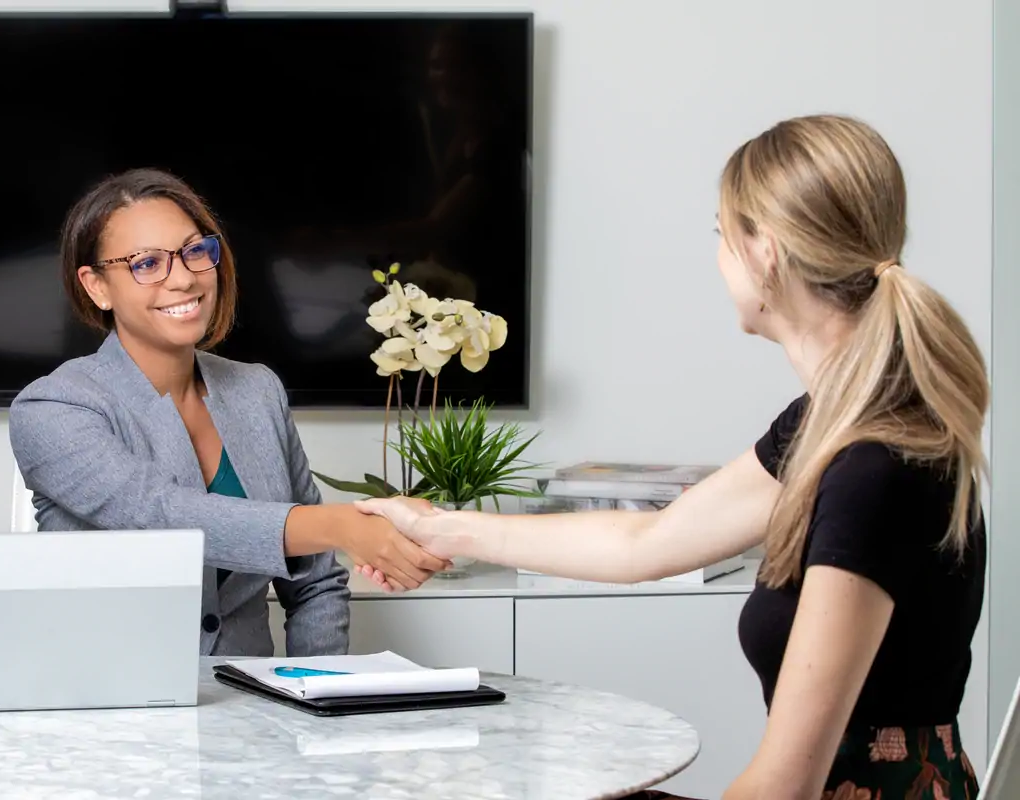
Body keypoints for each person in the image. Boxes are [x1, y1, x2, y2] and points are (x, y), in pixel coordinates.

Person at [354, 115, 988, 800]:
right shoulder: (836, 425)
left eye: (722, 235)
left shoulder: (873, 467)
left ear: (766, 253)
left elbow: (785, 787)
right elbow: (647, 540)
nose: (718, 257)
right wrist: (442, 525)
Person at [9, 168, 446, 659]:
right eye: (146, 263)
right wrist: (344, 524)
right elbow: (161, 516)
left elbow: (315, 583)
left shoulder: (257, 391)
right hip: (108, 715)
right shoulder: (51, 407)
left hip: (254, 716)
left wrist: (313, 696)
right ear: (97, 286)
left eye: (195, 251)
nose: (182, 278)